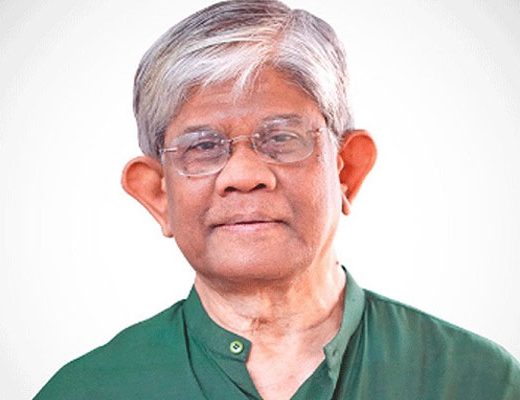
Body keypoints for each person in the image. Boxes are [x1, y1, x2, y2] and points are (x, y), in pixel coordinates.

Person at [34, 1, 520, 399]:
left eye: (282, 138)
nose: (244, 176)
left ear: (346, 171)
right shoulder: (87, 391)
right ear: (159, 194)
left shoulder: (476, 381)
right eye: (203, 147)